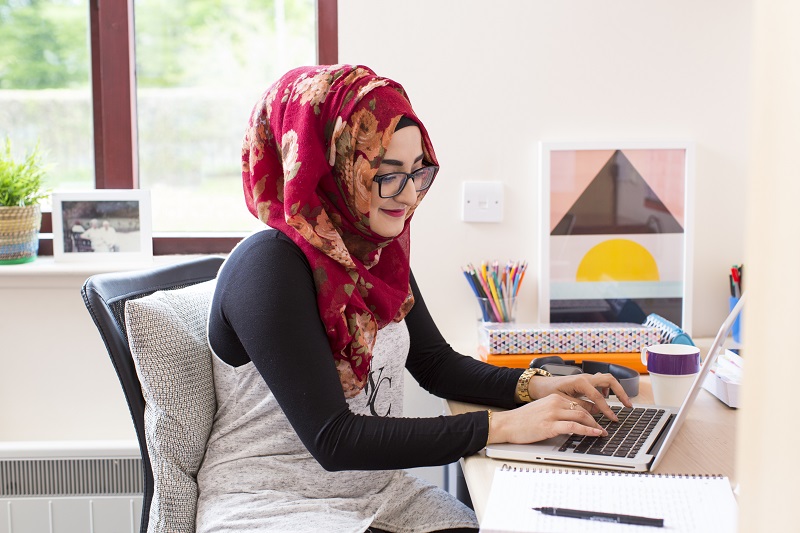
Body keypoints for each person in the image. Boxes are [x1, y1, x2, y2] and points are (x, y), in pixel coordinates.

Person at [196, 64, 632, 533]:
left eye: (417, 173)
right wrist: (502, 427)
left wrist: (535, 386)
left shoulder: (376, 255)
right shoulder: (268, 266)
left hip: (378, 496)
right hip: (272, 508)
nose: (407, 197)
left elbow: (435, 364)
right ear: (328, 167)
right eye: (387, 175)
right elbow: (333, 438)